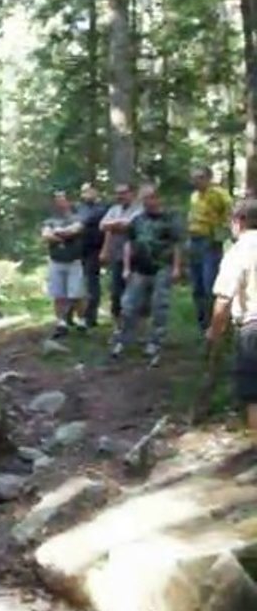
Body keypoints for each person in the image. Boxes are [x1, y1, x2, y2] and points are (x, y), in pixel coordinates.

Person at [110, 184, 183, 362]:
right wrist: (126, 267)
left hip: (161, 268)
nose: (147, 202)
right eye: (143, 199)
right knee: (128, 305)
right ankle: (123, 340)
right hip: (138, 269)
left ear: (157, 199)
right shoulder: (137, 220)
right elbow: (129, 244)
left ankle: (155, 342)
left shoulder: (169, 219)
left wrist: (176, 267)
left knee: (159, 307)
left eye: (150, 198)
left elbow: (176, 245)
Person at [206, 198, 257, 430]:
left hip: (252, 327)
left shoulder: (239, 250)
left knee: (254, 396)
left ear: (239, 222)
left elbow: (224, 298)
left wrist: (215, 331)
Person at [187, 167, 233, 332]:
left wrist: (221, 236)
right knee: (197, 286)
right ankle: (203, 325)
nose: (196, 181)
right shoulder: (194, 196)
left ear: (208, 178)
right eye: (193, 178)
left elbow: (230, 216)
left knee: (210, 285)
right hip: (193, 241)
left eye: (200, 177)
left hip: (210, 242)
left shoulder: (219, 195)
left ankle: (218, 325)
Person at [42, 191, 86, 338]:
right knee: (58, 294)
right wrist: (61, 234)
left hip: (74, 261)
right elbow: (46, 235)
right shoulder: (50, 220)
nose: (60, 203)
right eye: (57, 200)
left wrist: (59, 233)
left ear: (68, 201)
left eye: (62, 200)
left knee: (77, 293)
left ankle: (81, 321)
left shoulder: (77, 217)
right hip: (56, 261)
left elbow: (75, 230)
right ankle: (61, 322)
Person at [99, 182, 143, 324]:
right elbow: (102, 225)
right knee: (116, 291)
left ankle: (136, 327)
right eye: (118, 193)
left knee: (136, 292)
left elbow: (131, 224)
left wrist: (113, 225)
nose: (120, 196)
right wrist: (117, 224)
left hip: (136, 257)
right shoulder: (114, 209)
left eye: (124, 192)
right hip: (116, 256)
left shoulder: (140, 209)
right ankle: (118, 326)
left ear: (132, 193)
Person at [76, 183, 109, 328]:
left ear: (96, 192)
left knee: (91, 284)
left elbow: (87, 220)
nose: (86, 194)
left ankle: (90, 317)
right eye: (83, 192)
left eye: (89, 191)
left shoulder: (102, 208)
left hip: (94, 250)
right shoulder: (78, 208)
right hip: (78, 250)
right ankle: (74, 316)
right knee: (76, 284)